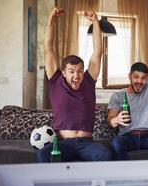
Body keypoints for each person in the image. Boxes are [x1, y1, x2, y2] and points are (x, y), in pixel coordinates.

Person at [37, 8, 111, 162]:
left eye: (79, 71)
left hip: (87, 144)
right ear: (63, 72)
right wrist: (52, 19)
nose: (76, 76)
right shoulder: (56, 81)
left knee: (105, 154)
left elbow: (98, 51)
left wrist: (96, 22)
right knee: (44, 154)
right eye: (71, 71)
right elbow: (48, 48)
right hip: (64, 143)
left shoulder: (89, 81)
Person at [107, 30, 148, 160]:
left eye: (143, 78)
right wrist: (116, 120)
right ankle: (124, 179)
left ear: (147, 79)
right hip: (127, 136)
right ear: (130, 76)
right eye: (136, 77)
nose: (140, 81)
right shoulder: (118, 95)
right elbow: (110, 119)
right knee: (116, 143)